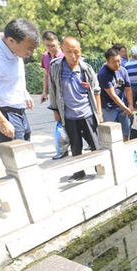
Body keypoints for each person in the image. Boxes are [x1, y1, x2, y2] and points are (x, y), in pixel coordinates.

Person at [0, 18, 40, 143]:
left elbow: (15, 73)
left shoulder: (13, 45)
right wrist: (2, 121)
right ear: (11, 41)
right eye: (29, 49)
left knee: (26, 147)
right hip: (5, 111)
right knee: (17, 154)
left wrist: (24, 93)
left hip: (18, 107)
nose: (31, 53)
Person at [48, 37, 102, 180]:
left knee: (95, 143)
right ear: (62, 50)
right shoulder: (56, 68)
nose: (73, 56)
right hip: (69, 115)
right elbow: (52, 90)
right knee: (75, 145)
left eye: (76, 52)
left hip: (87, 112)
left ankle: (100, 167)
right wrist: (55, 111)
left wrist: (99, 113)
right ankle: (79, 171)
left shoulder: (87, 69)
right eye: (69, 52)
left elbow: (96, 92)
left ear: (81, 51)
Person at [98, 48, 133, 141]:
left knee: (126, 131)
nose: (117, 64)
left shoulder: (123, 71)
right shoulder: (103, 73)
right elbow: (113, 95)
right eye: (114, 62)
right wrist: (126, 108)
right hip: (109, 108)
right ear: (107, 61)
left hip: (122, 106)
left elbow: (128, 89)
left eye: (119, 60)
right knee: (110, 134)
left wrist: (130, 105)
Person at [40, 30, 63, 103]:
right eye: (48, 46)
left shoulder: (64, 56)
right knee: (55, 112)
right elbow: (46, 74)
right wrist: (44, 92)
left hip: (65, 91)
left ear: (58, 44)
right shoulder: (45, 56)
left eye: (53, 45)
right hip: (53, 91)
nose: (50, 48)